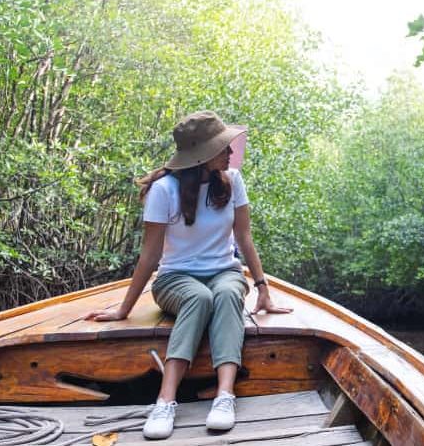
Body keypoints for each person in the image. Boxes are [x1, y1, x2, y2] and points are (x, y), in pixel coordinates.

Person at [83, 111, 292, 439]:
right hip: (174, 280)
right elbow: (150, 255)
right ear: (203, 155)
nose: (230, 152)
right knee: (199, 297)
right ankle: (165, 401)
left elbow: (244, 238)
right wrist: (124, 308)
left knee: (224, 294)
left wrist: (263, 287)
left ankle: (225, 396)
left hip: (225, 271)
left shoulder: (233, 181)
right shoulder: (163, 190)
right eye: (223, 147)